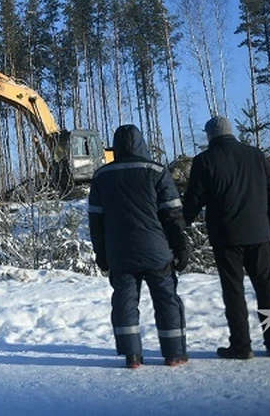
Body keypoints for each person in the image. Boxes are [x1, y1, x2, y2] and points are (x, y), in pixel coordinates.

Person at [182, 115, 270, 360]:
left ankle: (241, 345)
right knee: (266, 288)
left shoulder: (204, 160)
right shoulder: (256, 155)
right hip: (260, 234)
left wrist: (180, 224)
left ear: (210, 136)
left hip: (226, 237)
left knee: (233, 291)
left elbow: (193, 200)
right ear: (231, 132)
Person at [88, 124, 189, 369]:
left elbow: (96, 221)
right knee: (166, 299)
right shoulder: (156, 171)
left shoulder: (102, 176)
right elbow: (172, 214)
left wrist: (101, 253)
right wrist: (181, 247)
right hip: (157, 250)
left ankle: (132, 355)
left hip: (120, 252)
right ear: (141, 143)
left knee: (124, 301)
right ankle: (174, 353)